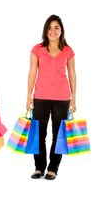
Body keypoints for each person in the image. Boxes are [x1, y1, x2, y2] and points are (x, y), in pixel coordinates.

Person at [27, 14, 76, 180]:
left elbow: (72, 74)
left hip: (62, 98)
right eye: (50, 27)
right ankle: (39, 167)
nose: (53, 31)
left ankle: (53, 168)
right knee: (39, 133)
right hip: (40, 96)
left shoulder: (68, 51)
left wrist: (74, 98)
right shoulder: (37, 49)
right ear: (45, 30)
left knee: (58, 134)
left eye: (56, 27)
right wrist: (28, 96)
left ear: (61, 30)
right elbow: (32, 72)